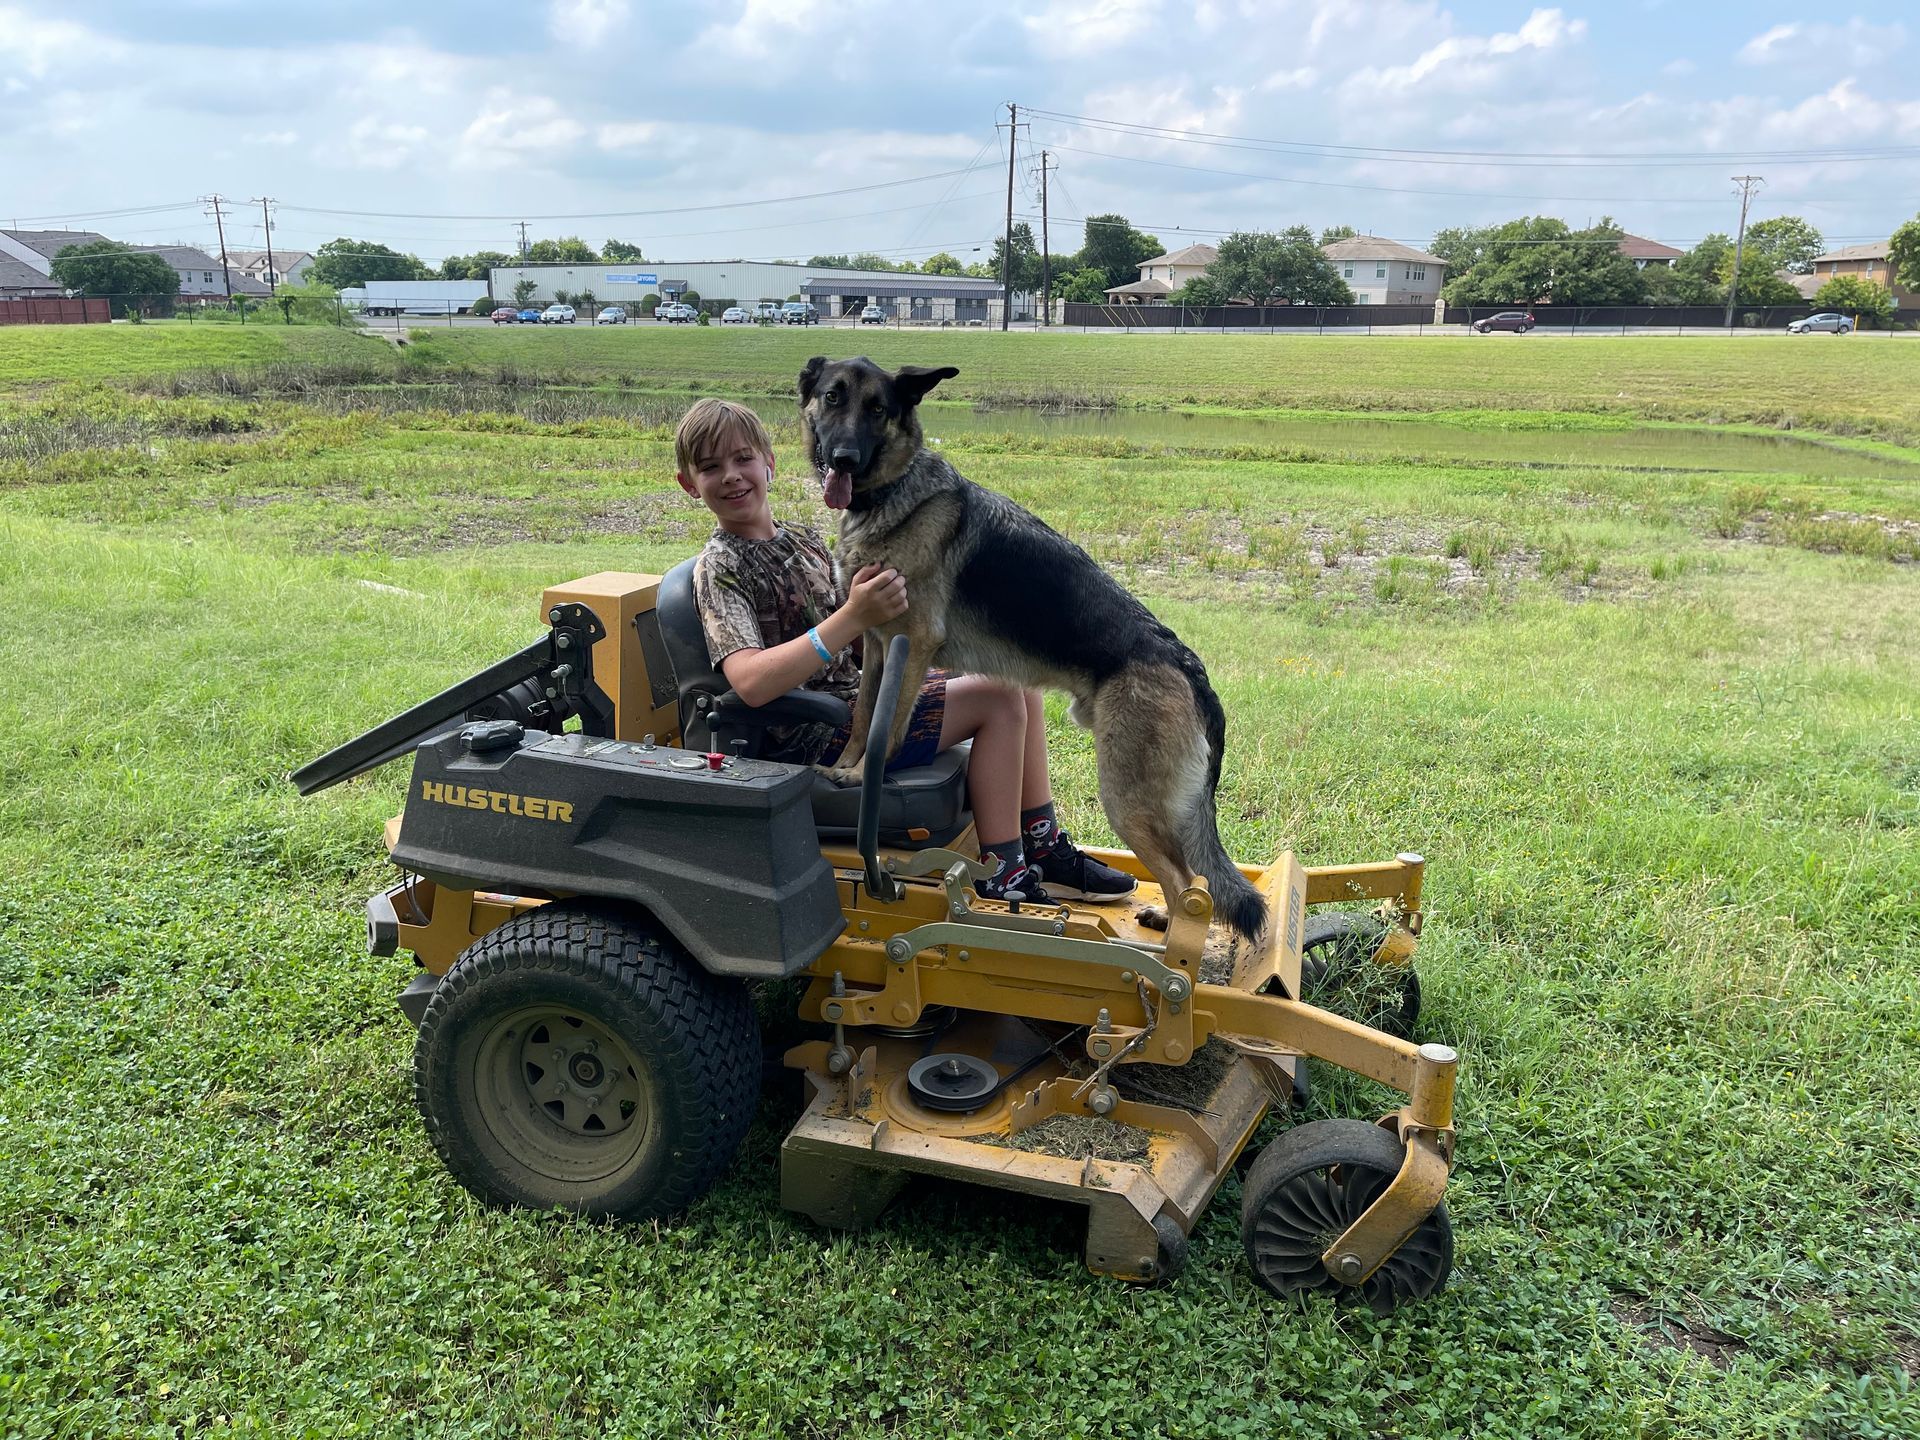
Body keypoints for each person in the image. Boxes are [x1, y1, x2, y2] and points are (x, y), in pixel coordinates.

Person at [674, 398, 1135, 905]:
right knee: (998, 701)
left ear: (770, 464)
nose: (732, 476)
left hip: (859, 702)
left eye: (743, 459)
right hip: (810, 735)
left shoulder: (802, 541)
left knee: (1012, 679)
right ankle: (1003, 873)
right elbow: (752, 683)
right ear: (689, 485)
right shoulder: (719, 570)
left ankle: (1043, 850)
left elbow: (865, 639)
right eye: (711, 467)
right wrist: (855, 614)